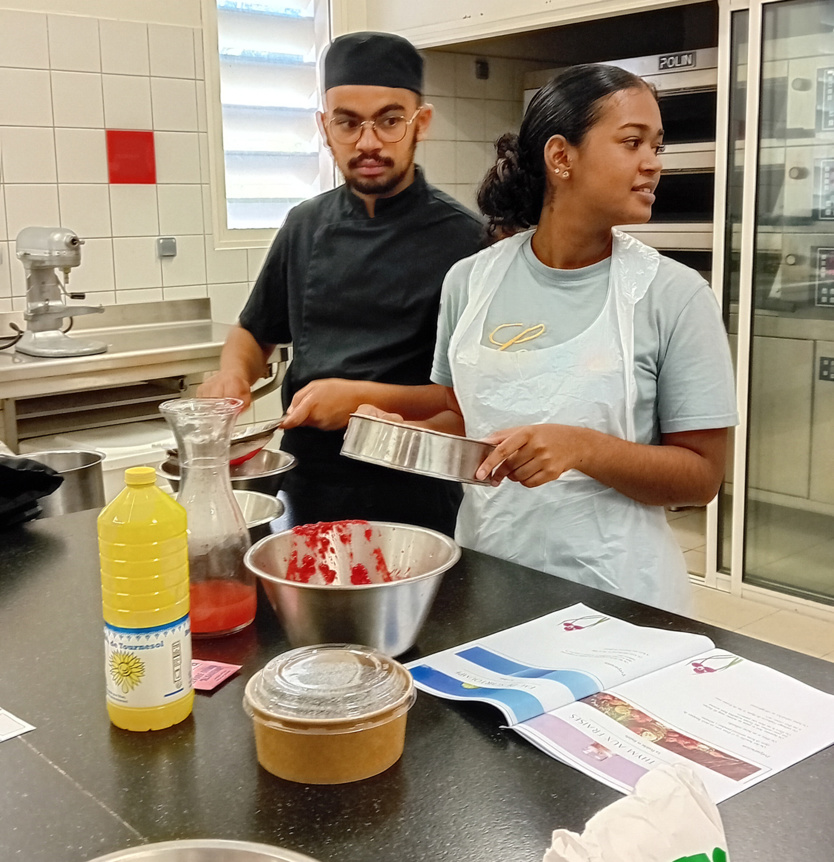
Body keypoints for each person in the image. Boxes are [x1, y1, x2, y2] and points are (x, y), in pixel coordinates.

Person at [362, 64, 738, 613]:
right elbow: (461, 419)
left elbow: (700, 476)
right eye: (632, 142)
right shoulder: (470, 281)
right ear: (561, 157)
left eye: (657, 145)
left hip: (617, 594)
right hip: (489, 573)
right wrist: (406, 435)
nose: (654, 164)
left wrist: (583, 447)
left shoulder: (672, 295)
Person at [198, 31, 483, 535]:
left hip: (415, 487)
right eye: (347, 123)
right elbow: (254, 330)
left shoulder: (466, 240)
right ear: (324, 128)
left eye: (390, 121)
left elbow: (467, 398)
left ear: (423, 123)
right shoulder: (304, 224)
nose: (367, 142)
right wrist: (233, 378)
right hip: (306, 482)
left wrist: (356, 399)